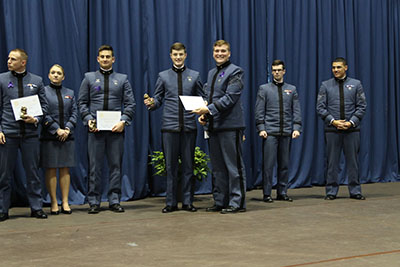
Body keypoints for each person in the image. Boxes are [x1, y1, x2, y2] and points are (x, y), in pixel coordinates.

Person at [144, 42, 205, 213]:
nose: (178, 57)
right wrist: (151, 103)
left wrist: (204, 108)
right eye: (175, 55)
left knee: (188, 166)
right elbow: (158, 99)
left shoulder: (195, 75)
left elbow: (203, 97)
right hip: (169, 127)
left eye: (181, 54)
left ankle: (187, 202)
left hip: (189, 127)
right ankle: (170, 203)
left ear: (186, 55)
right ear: (170, 56)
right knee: (170, 167)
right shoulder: (163, 76)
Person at [78, 45, 136, 214]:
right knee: (95, 167)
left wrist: (123, 121)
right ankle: (94, 201)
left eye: (108, 56)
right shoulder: (88, 78)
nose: (105, 59)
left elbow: (131, 104)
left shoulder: (123, 79)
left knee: (115, 166)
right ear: (98, 59)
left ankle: (114, 200)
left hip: (115, 130)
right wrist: (88, 120)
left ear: (113, 59)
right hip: (95, 131)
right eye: (102, 56)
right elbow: (82, 103)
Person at [193, 40, 246, 214]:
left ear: (229, 53)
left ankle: (236, 202)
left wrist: (208, 109)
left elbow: (231, 98)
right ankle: (220, 201)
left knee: (233, 166)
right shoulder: (211, 73)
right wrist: (205, 115)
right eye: (216, 51)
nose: (219, 53)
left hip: (230, 126)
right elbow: (210, 98)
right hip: (215, 126)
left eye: (223, 51)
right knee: (217, 167)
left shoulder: (236, 71)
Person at [0, 48, 49, 221]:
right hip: (8, 134)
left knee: (33, 173)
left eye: (13, 59)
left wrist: (35, 119)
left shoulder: (37, 81)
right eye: (8, 59)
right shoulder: (2, 79)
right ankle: (2, 209)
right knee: (4, 174)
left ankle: (36, 207)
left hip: (30, 135)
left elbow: (44, 108)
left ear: (23, 62)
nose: (9, 62)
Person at [316, 57, 367, 200]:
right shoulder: (325, 85)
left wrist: (351, 122)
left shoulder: (356, 84)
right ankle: (331, 192)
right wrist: (333, 121)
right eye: (333, 68)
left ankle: (355, 191)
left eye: (338, 67)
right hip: (332, 130)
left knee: (353, 162)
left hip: (352, 130)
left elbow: (362, 106)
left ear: (346, 68)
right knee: (332, 162)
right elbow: (320, 107)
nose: (335, 70)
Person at [255, 60, 302, 203]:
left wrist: (296, 128)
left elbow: (296, 110)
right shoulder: (264, 89)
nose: (276, 72)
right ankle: (267, 193)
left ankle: (282, 192)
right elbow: (259, 111)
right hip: (270, 133)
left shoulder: (291, 89)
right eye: (274, 70)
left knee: (284, 164)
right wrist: (261, 128)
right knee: (268, 165)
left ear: (284, 71)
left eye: (279, 70)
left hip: (287, 132)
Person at [40, 64, 78, 215]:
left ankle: (66, 202)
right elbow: (43, 113)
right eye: (53, 73)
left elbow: (75, 113)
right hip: (49, 136)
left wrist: (67, 129)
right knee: (50, 168)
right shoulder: (42, 91)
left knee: (65, 168)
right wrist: (56, 129)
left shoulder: (70, 93)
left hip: (67, 136)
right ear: (48, 75)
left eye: (59, 73)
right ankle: (54, 202)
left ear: (64, 76)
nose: (55, 75)